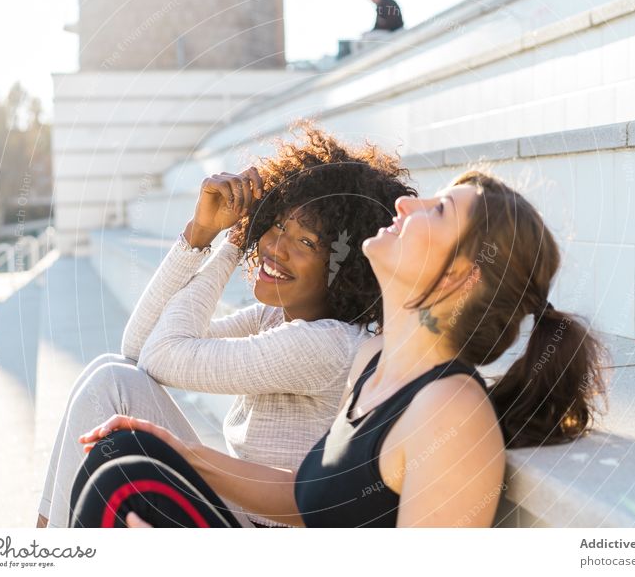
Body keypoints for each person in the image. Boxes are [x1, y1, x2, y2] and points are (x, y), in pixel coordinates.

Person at [71, 169, 608, 528]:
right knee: (122, 456)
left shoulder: (451, 412)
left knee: (123, 478)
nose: (405, 203)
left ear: (460, 278)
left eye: (438, 211)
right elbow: (306, 500)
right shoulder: (374, 363)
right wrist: (181, 451)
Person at [36, 125, 416, 528]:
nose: (274, 246)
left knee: (110, 382)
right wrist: (200, 233)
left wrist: (233, 242)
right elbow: (139, 346)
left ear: (345, 270)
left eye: (306, 243)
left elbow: (162, 356)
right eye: (276, 224)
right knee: (110, 373)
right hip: (240, 518)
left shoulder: (325, 344)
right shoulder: (277, 317)